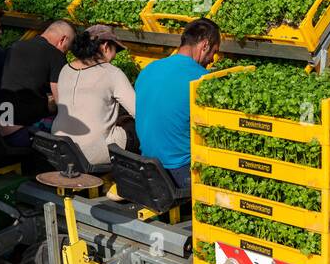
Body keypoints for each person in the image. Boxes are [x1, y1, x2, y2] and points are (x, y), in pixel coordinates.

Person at [134, 18, 220, 193]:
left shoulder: (149, 69)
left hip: (148, 169)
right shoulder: (202, 80)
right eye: (214, 52)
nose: (212, 60)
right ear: (204, 45)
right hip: (179, 174)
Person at [51, 24, 137, 169]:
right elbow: (139, 112)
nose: (114, 56)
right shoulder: (112, 72)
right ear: (105, 46)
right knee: (134, 127)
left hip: (60, 147)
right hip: (93, 152)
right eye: (115, 50)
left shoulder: (65, 69)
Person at [0, 19, 73, 140]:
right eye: (67, 49)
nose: (65, 53)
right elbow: (61, 101)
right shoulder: (56, 55)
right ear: (63, 40)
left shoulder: (14, 46)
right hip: (19, 131)